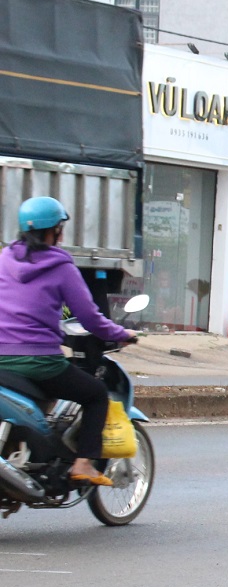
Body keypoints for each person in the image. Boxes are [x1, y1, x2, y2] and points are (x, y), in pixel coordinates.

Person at [0, 197, 136, 486]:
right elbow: (90, 318)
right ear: (55, 231)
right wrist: (121, 334)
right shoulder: (61, 267)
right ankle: (84, 463)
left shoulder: (3, 260)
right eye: (60, 228)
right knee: (95, 393)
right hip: (39, 361)